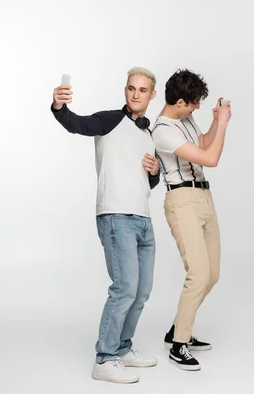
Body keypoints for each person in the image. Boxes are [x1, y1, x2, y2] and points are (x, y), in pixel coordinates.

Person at [50, 67, 161, 384]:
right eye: (131, 88)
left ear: (152, 95)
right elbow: (77, 124)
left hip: (144, 220)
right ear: (126, 91)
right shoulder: (110, 120)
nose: (135, 94)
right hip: (116, 217)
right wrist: (60, 107)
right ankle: (105, 358)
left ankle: (123, 348)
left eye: (142, 90)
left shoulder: (148, 134)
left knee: (141, 292)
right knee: (124, 289)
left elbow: (145, 181)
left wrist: (154, 172)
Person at [151, 69, 231, 371]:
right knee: (198, 274)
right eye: (195, 103)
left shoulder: (185, 118)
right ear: (180, 101)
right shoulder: (162, 130)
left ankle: (176, 329)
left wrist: (214, 121)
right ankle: (179, 344)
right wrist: (223, 123)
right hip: (181, 200)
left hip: (204, 197)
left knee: (212, 274)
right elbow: (211, 158)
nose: (197, 107)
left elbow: (202, 145)